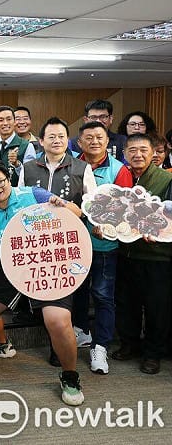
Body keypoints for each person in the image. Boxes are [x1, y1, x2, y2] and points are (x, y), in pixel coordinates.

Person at [0, 161, 85, 406]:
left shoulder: (33, 194)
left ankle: (70, 377)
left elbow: (77, 212)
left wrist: (62, 205)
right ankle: (0, 345)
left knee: (57, 320)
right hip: (14, 268)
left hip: (49, 265)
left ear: (8, 180)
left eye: (0, 181)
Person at [18, 117, 97, 367]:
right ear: (41, 141)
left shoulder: (82, 168)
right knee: (42, 288)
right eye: (51, 136)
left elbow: (91, 207)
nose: (57, 140)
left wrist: (76, 211)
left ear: (67, 140)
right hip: (36, 240)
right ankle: (53, 339)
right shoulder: (28, 168)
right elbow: (20, 201)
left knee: (64, 292)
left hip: (68, 242)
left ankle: (58, 348)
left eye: (61, 136)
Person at [111, 134, 172, 375]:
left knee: (157, 306)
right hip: (125, 252)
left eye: (144, 150)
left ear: (154, 152)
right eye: (133, 150)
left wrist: (157, 230)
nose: (138, 155)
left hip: (156, 255)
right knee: (127, 303)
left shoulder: (166, 179)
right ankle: (130, 345)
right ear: (125, 153)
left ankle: (153, 353)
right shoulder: (122, 178)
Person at [76, 121, 133, 374]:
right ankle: (81, 331)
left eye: (99, 137)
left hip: (104, 245)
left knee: (102, 295)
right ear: (80, 142)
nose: (94, 141)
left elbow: (126, 208)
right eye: (89, 137)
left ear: (108, 141)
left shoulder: (119, 170)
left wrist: (108, 225)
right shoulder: (73, 165)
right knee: (77, 291)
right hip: (75, 244)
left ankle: (100, 346)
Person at [0, 106, 36, 186]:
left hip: (17, 192)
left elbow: (30, 176)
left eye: (9, 119)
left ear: (14, 122)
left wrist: (16, 164)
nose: (5, 123)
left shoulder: (27, 146)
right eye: (1, 120)